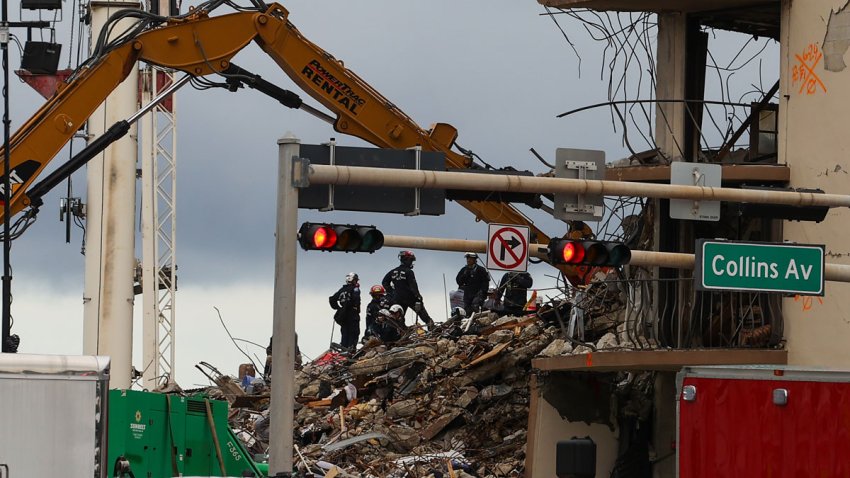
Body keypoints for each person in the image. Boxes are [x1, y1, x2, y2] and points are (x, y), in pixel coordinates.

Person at [382, 250, 435, 328]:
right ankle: (432, 329)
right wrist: (418, 297)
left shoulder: (393, 271)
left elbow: (384, 282)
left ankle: (400, 334)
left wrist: (392, 292)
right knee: (424, 315)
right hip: (410, 298)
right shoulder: (409, 272)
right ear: (406, 260)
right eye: (411, 260)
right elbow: (413, 286)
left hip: (398, 298)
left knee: (398, 319)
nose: (411, 262)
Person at [329, 272, 361, 349]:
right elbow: (356, 300)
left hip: (343, 315)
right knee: (354, 332)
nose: (356, 282)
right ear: (353, 280)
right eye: (356, 280)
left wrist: (339, 308)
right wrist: (356, 306)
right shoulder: (355, 289)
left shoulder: (342, 290)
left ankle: (343, 348)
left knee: (344, 332)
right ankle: (351, 349)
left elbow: (332, 299)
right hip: (352, 314)